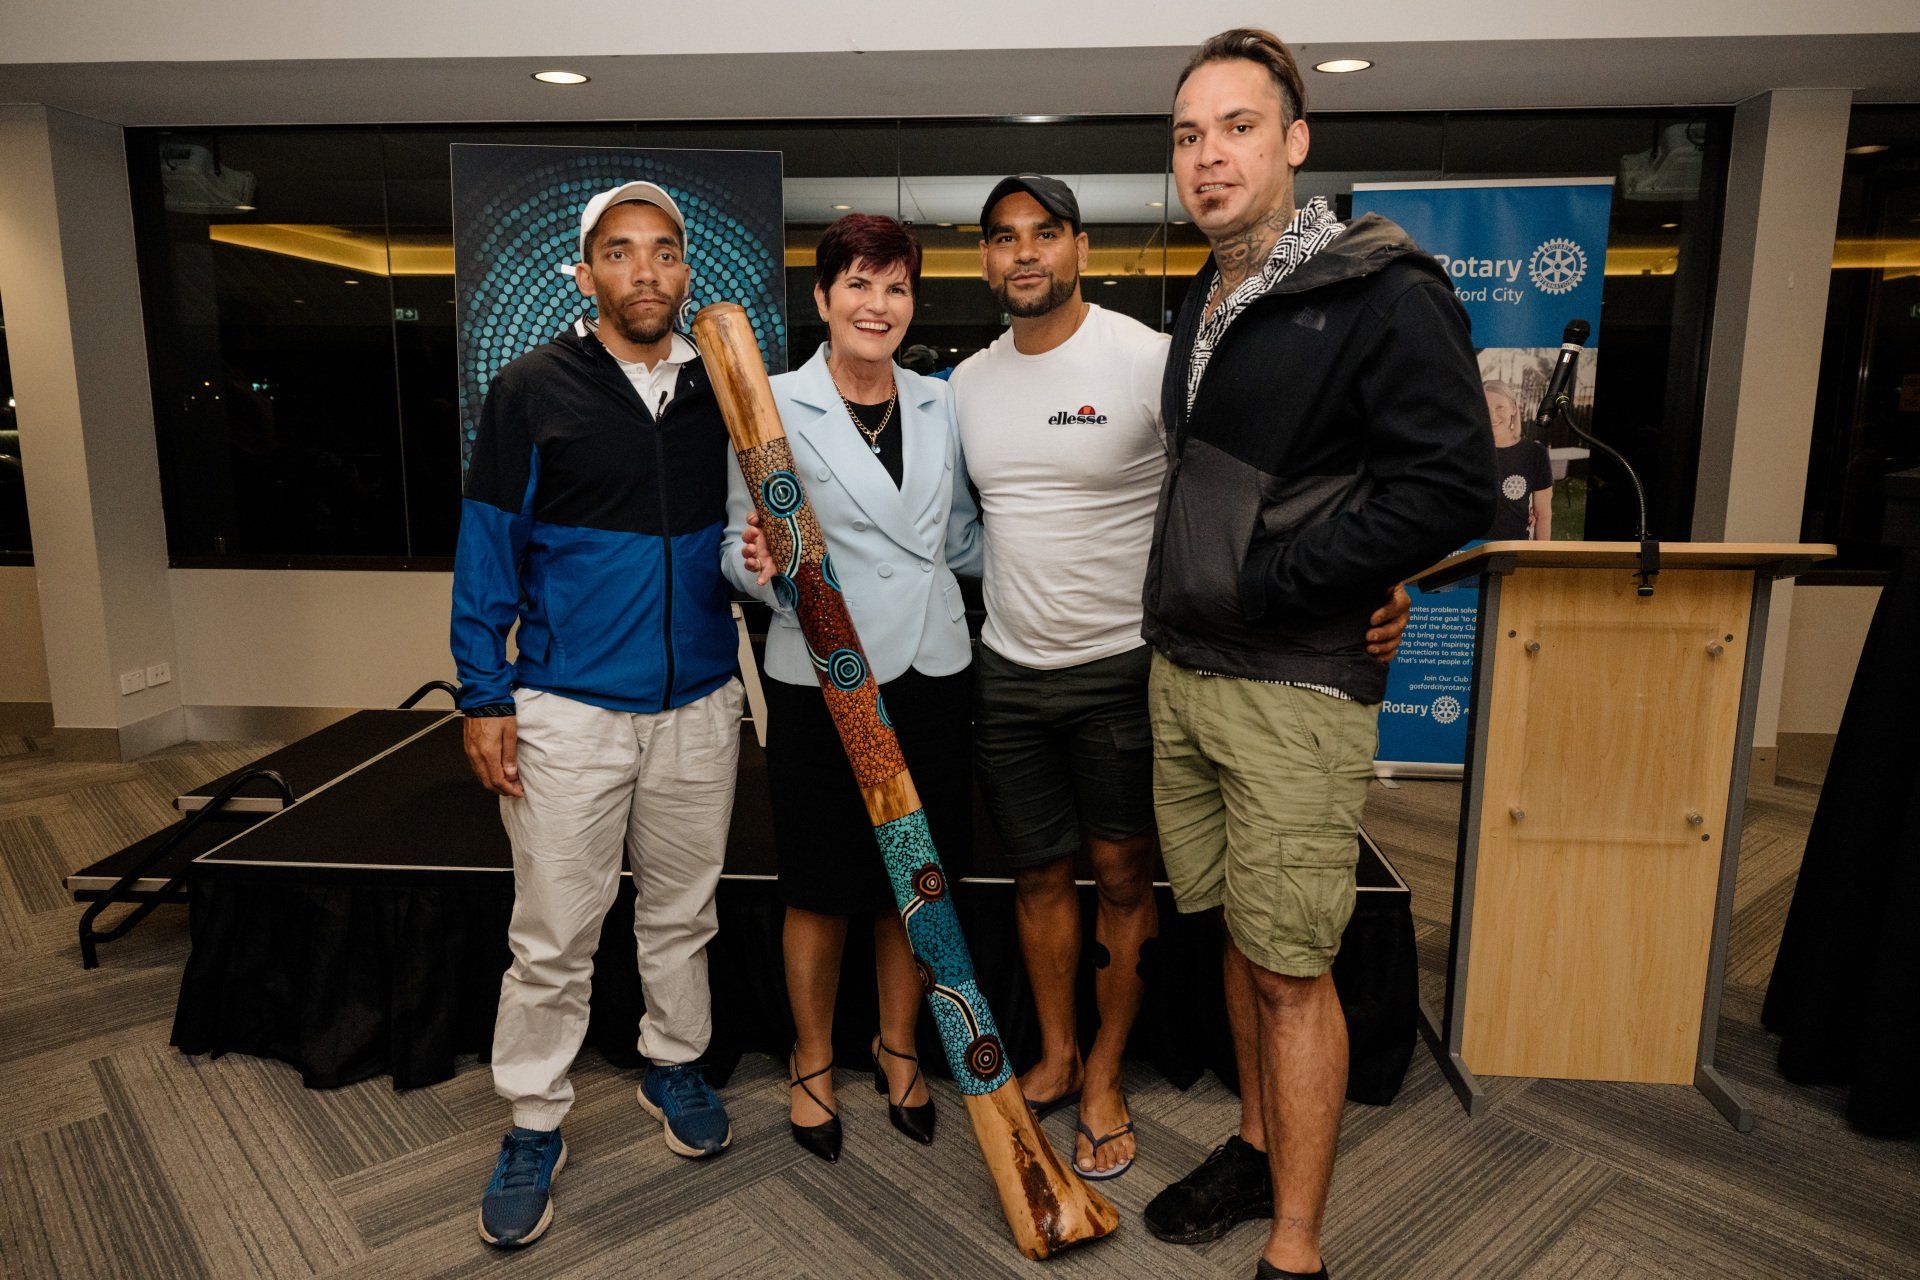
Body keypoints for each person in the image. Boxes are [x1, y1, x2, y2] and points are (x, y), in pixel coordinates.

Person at [948, 174, 1414, 1183]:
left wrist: (1378, 579)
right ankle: (1061, 1049)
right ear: (983, 258)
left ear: (1079, 247)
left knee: (1122, 876)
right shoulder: (965, 385)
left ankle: (1108, 1068)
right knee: (1036, 875)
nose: (1024, 253)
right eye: (1002, 237)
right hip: (1010, 670)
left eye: (1045, 233)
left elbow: (1272, 482)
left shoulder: (1150, 362)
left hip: (1125, 665)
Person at [1141, 30, 1495, 1280]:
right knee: (1242, 938)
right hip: (1188, 670)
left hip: (1292, 681)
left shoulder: (1383, 287)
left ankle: (1298, 1245)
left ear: (1296, 141)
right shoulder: (1212, 291)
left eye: (1237, 126)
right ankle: (1253, 1144)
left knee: (1295, 967)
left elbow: (1452, 481)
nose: (1208, 155)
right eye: (1188, 135)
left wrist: (1291, 581)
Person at [452, 181, 744, 1249]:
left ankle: (674, 1063)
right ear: (586, 273)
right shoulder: (531, 387)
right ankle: (534, 1115)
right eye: (620, 253)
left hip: (701, 702)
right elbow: (487, 544)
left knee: (682, 912)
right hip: (569, 709)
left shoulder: (724, 384)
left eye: (664, 252)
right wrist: (482, 694)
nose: (646, 272)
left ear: (683, 270)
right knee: (555, 933)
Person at [723, 213, 984, 1164]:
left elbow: (958, 540)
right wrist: (759, 562)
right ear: (825, 299)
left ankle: (900, 1045)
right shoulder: (768, 403)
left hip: (928, 666)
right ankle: (813, 1057)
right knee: (823, 885)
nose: (880, 305)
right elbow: (734, 542)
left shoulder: (941, 403)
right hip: (821, 672)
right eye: (860, 285)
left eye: (898, 286)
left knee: (908, 885)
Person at [1484, 379, 1555, 540]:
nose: (1492, 415)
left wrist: (1540, 559)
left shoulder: (1535, 454)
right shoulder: (1465, 452)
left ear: (1513, 408)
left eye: (1499, 406)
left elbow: (1542, 515)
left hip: (1513, 548)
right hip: (1469, 551)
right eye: (1485, 408)